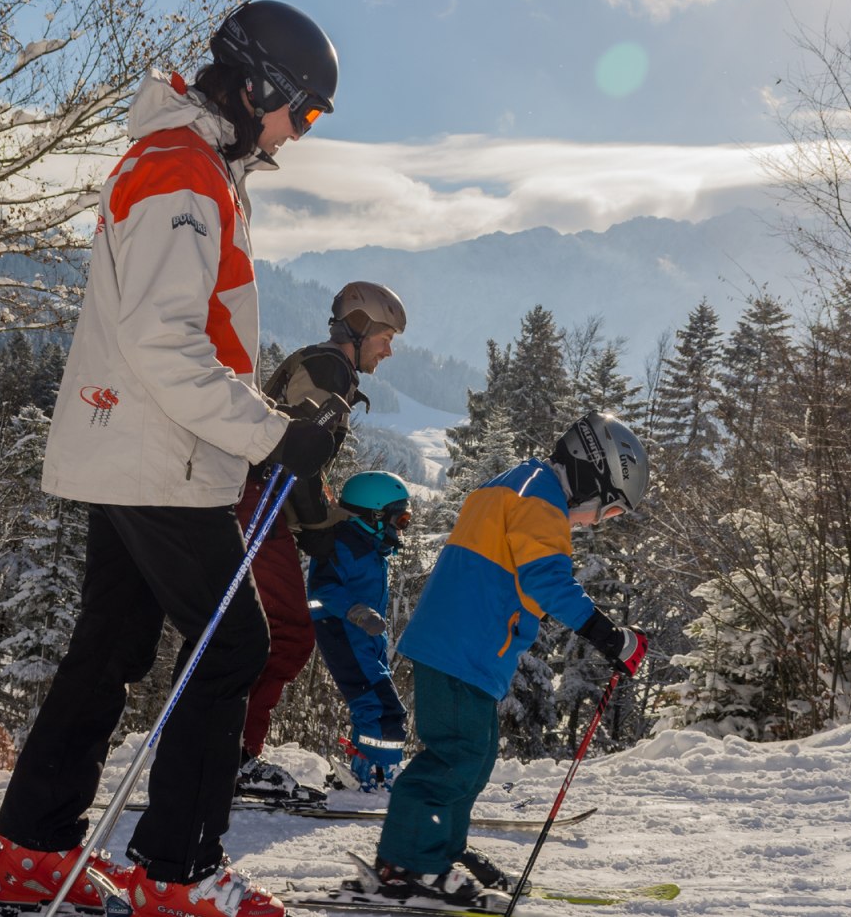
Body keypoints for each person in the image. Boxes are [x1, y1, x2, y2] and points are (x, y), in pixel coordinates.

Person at [0, 0, 341, 917]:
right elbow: (166, 342)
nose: (297, 134)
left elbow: (190, 342)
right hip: (158, 455)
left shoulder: (192, 167)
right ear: (258, 84)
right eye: (301, 112)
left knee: (109, 645)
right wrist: (274, 437)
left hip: (139, 447)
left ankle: (35, 848)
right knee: (232, 650)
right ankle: (176, 876)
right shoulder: (183, 174)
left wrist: (270, 422)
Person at [357, 412, 652, 911]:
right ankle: (406, 867)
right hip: (460, 650)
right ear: (590, 476)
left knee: (473, 759)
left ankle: (439, 851)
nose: (597, 521)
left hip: (462, 649)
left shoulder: (520, 483)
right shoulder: (541, 501)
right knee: (455, 758)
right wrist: (611, 637)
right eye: (607, 509)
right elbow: (547, 581)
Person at [235, 281, 408, 804]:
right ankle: (233, 757)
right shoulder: (332, 369)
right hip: (257, 501)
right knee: (287, 631)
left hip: (253, 499)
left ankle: (225, 749)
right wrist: (319, 529)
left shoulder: (329, 367)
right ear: (358, 327)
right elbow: (297, 454)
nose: (390, 348)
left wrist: (320, 519)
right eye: (385, 336)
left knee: (258, 632)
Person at [306, 469, 414, 793]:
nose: (401, 528)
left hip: (366, 639)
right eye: (400, 520)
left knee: (375, 705)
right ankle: (377, 777)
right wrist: (356, 612)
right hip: (346, 634)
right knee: (382, 708)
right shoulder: (343, 545)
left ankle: (365, 768)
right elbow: (322, 588)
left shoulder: (370, 547)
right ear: (374, 515)